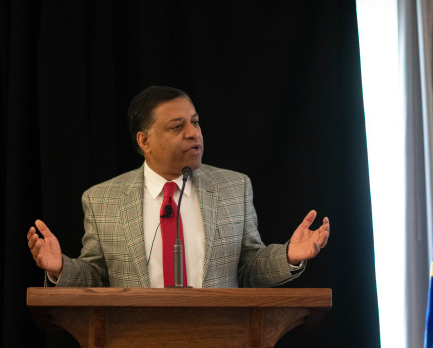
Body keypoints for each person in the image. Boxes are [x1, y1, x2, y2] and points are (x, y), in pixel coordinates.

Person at [26, 86, 330, 288]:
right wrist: (60, 268)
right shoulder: (103, 199)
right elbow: (96, 276)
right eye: (177, 126)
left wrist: (289, 255)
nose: (192, 133)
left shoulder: (234, 188)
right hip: (133, 343)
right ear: (144, 141)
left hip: (221, 342)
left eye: (195, 122)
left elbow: (249, 267)